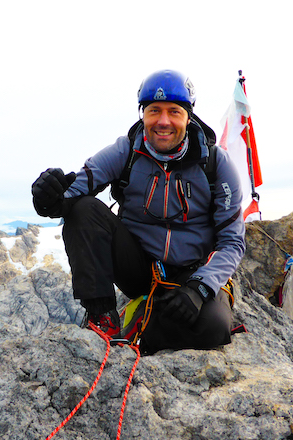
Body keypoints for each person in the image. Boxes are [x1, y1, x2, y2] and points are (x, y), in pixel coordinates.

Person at [31, 69, 245, 353]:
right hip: (138, 268)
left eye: (174, 112)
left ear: (188, 117)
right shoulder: (126, 151)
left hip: (191, 273)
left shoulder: (216, 164)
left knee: (214, 327)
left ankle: (142, 331)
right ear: (142, 113)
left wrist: (199, 288)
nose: (163, 121)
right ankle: (102, 318)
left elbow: (232, 241)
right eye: (154, 110)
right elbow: (76, 190)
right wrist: (50, 197)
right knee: (84, 210)